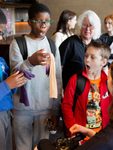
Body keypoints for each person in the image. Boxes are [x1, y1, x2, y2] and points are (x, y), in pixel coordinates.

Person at [9, 2, 62, 150]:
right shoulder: (18, 43)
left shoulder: (52, 45)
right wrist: (30, 62)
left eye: (47, 21)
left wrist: (56, 108)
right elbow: (15, 74)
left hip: (46, 107)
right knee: (22, 146)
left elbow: (57, 78)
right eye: (39, 21)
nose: (44, 25)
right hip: (22, 107)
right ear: (30, 22)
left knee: (42, 146)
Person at [61, 40, 112, 138]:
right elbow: (66, 106)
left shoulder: (108, 82)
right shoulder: (75, 80)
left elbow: (112, 108)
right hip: (80, 135)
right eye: (86, 56)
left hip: (101, 135)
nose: (87, 60)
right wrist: (72, 128)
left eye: (92, 57)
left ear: (103, 62)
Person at [0, 9, 27, 150]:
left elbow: (8, 88)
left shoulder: (1, 61)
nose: (0, 37)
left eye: (1, 33)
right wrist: (6, 85)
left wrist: (16, 80)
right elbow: (5, 86)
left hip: (6, 113)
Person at [59, 10, 101, 90]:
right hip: (71, 91)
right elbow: (58, 68)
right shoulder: (70, 43)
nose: (87, 29)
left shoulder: (98, 44)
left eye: (91, 26)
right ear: (80, 26)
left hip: (92, 90)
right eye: (84, 25)